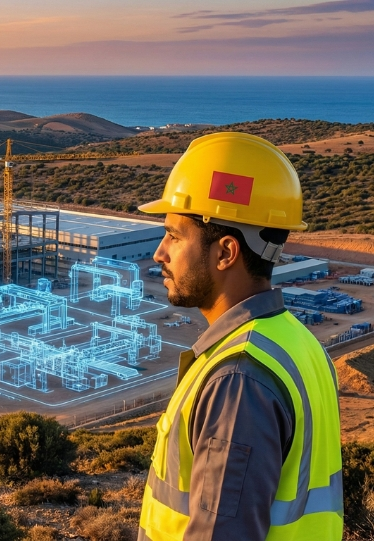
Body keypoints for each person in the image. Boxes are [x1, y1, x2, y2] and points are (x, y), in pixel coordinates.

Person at [135, 132, 342, 541]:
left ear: (226, 253)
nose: (160, 253)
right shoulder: (297, 342)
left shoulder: (238, 381)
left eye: (174, 236)